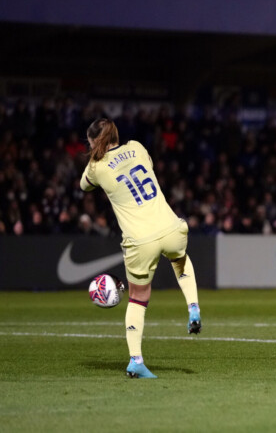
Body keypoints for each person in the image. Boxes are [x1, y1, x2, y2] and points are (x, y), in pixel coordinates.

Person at [80, 118, 202, 379]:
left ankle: (136, 361)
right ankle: (193, 307)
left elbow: (84, 186)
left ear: (94, 142)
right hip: (170, 227)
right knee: (180, 259)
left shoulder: (96, 166)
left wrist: (95, 159)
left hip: (140, 240)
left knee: (138, 298)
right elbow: (148, 166)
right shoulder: (136, 146)